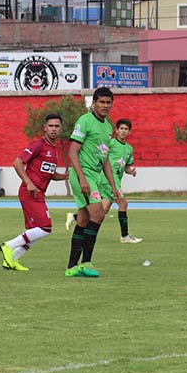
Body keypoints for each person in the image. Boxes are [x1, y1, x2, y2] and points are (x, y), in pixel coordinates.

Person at [0, 114, 68, 271]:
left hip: (39, 193)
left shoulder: (55, 150)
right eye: (51, 126)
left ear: (61, 129)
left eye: (57, 126)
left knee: (35, 232)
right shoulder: (38, 145)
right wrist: (28, 182)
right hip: (29, 192)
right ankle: (8, 246)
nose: (54, 129)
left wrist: (63, 176)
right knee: (46, 228)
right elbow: (17, 162)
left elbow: (49, 173)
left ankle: (11, 260)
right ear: (45, 128)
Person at [64, 87, 119, 278]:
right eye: (101, 102)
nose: (105, 106)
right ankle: (86, 262)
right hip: (83, 175)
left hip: (95, 176)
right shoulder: (85, 121)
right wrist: (81, 178)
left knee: (84, 220)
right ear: (94, 103)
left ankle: (72, 267)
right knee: (98, 215)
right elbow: (72, 152)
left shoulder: (108, 127)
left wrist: (113, 187)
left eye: (108, 102)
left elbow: (105, 161)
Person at [100, 118, 142, 244]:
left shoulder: (129, 149)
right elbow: (101, 156)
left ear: (129, 132)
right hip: (108, 179)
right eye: (121, 129)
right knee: (123, 203)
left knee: (103, 210)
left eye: (126, 129)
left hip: (116, 180)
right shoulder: (111, 143)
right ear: (116, 131)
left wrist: (131, 171)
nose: (123, 131)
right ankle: (124, 236)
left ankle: (75, 218)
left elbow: (126, 167)